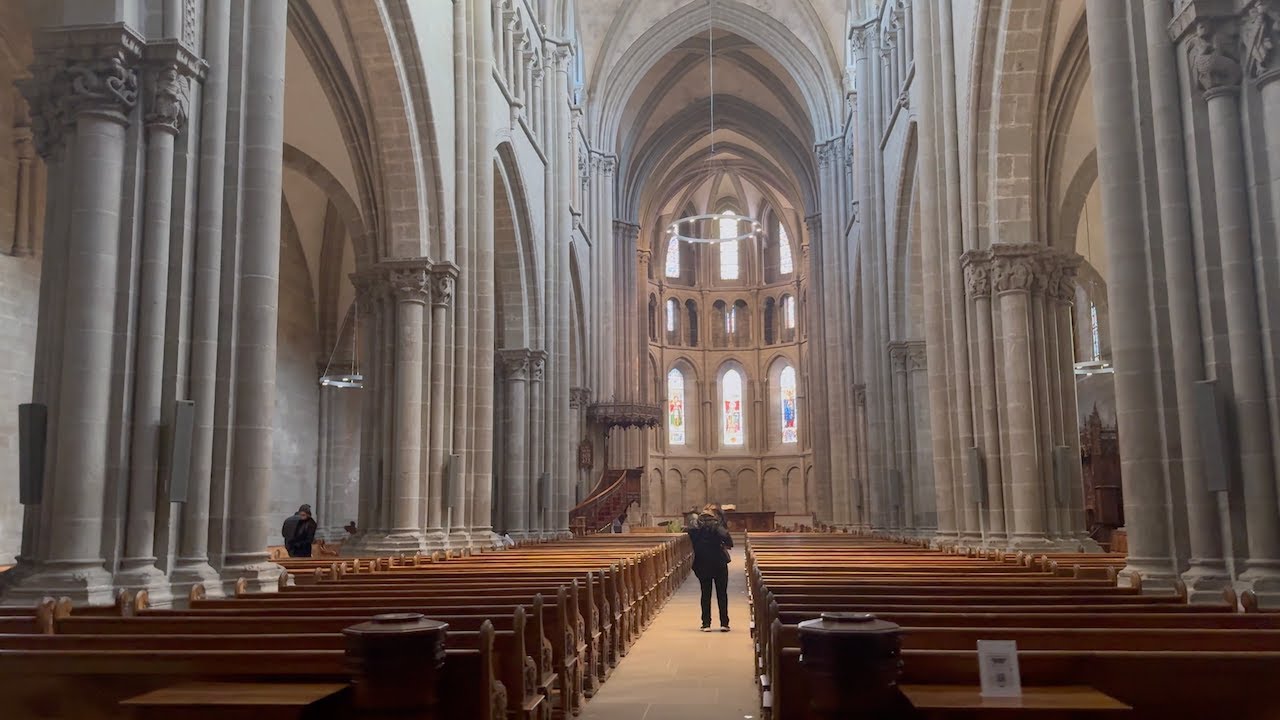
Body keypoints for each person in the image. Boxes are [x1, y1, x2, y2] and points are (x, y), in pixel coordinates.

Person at [686, 508, 733, 632]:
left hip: (702, 563)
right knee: (722, 594)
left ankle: (706, 624)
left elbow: (688, 534)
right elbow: (729, 541)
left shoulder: (696, 529)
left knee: (705, 594)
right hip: (719, 563)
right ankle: (724, 623)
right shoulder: (717, 526)